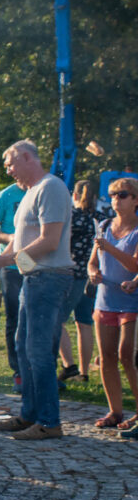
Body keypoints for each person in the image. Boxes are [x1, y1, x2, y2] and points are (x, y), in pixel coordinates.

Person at [0, 139, 72, 440]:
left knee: (39, 352)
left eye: (10, 164)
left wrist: (4, 259)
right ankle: (30, 415)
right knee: (24, 348)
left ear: (27, 157)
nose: (8, 171)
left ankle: (49, 421)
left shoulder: (51, 187)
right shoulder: (30, 192)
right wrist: (3, 259)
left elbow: (49, 241)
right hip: (32, 278)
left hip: (49, 277)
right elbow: (20, 239)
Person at [89, 178, 138, 430]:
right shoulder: (105, 225)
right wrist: (92, 272)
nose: (115, 199)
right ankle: (115, 411)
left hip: (131, 303)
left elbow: (134, 266)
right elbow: (92, 261)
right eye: (112, 195)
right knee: (107, 357)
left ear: (136, 200)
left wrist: (110, 248)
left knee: (126, 356)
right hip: (105, 301)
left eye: (122, 195)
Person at [0, 180, 27, 392]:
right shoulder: (6, 195)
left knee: (40, 319)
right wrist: (10, 237)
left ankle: (40, 371)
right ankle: (18, 371)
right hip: (11, 264)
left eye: (12, 165)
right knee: (15, 318)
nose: (10, 171)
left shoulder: (43, 190)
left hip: (38, 262)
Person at [58, 179, 102, 384]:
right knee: (85, 324)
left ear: (73, 195)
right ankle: (84, 373)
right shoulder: (101, 218)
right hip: (92, 278)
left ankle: (69, 366)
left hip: (70, 276)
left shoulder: (70, 217)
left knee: (57, 321)